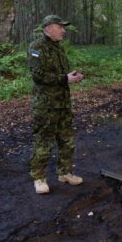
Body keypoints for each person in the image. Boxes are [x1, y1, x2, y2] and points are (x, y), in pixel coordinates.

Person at [28, 14, 85, 194]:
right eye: (60, 27)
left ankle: (65, 173)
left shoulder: (58, 48)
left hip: (62, 103)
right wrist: (64, 78)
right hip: (46, 105)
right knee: (43, 142)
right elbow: (37, 76)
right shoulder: (36, 48)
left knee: (67, 140)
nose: (63, 30)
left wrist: (71, 76)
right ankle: (39, 178)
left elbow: (60, 75)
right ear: (49, 28)